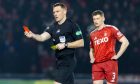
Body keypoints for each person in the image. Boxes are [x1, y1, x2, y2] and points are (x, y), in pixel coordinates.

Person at [24, 3, 84, 84]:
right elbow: (42, 37)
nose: (55, 14)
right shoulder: (52, 27)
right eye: (54, 12)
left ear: (64, 11)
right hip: (59, 62)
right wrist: (33, 35)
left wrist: (66, 44)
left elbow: (81, 42)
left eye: (57, 11)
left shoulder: (72, 25)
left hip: (68, 62)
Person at [89, 10, 129, 84]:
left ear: (103, 18)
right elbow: (91, 49)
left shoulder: (111, 29)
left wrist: (117, 55)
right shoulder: (92, 34)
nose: (96, 21)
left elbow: (125, 42)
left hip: (109, 63)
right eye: (94, 19)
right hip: (97, 64)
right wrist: (92, 58)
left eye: (98, 18)